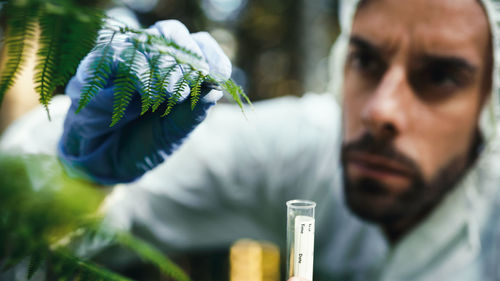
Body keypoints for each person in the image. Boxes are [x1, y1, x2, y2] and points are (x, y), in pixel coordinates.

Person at [2, 0, 500, 280]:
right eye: (366, 61)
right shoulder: (308, 148)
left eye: (440, 76)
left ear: (490, 103)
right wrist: (75, 171)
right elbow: (22, 216)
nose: (380, 111)